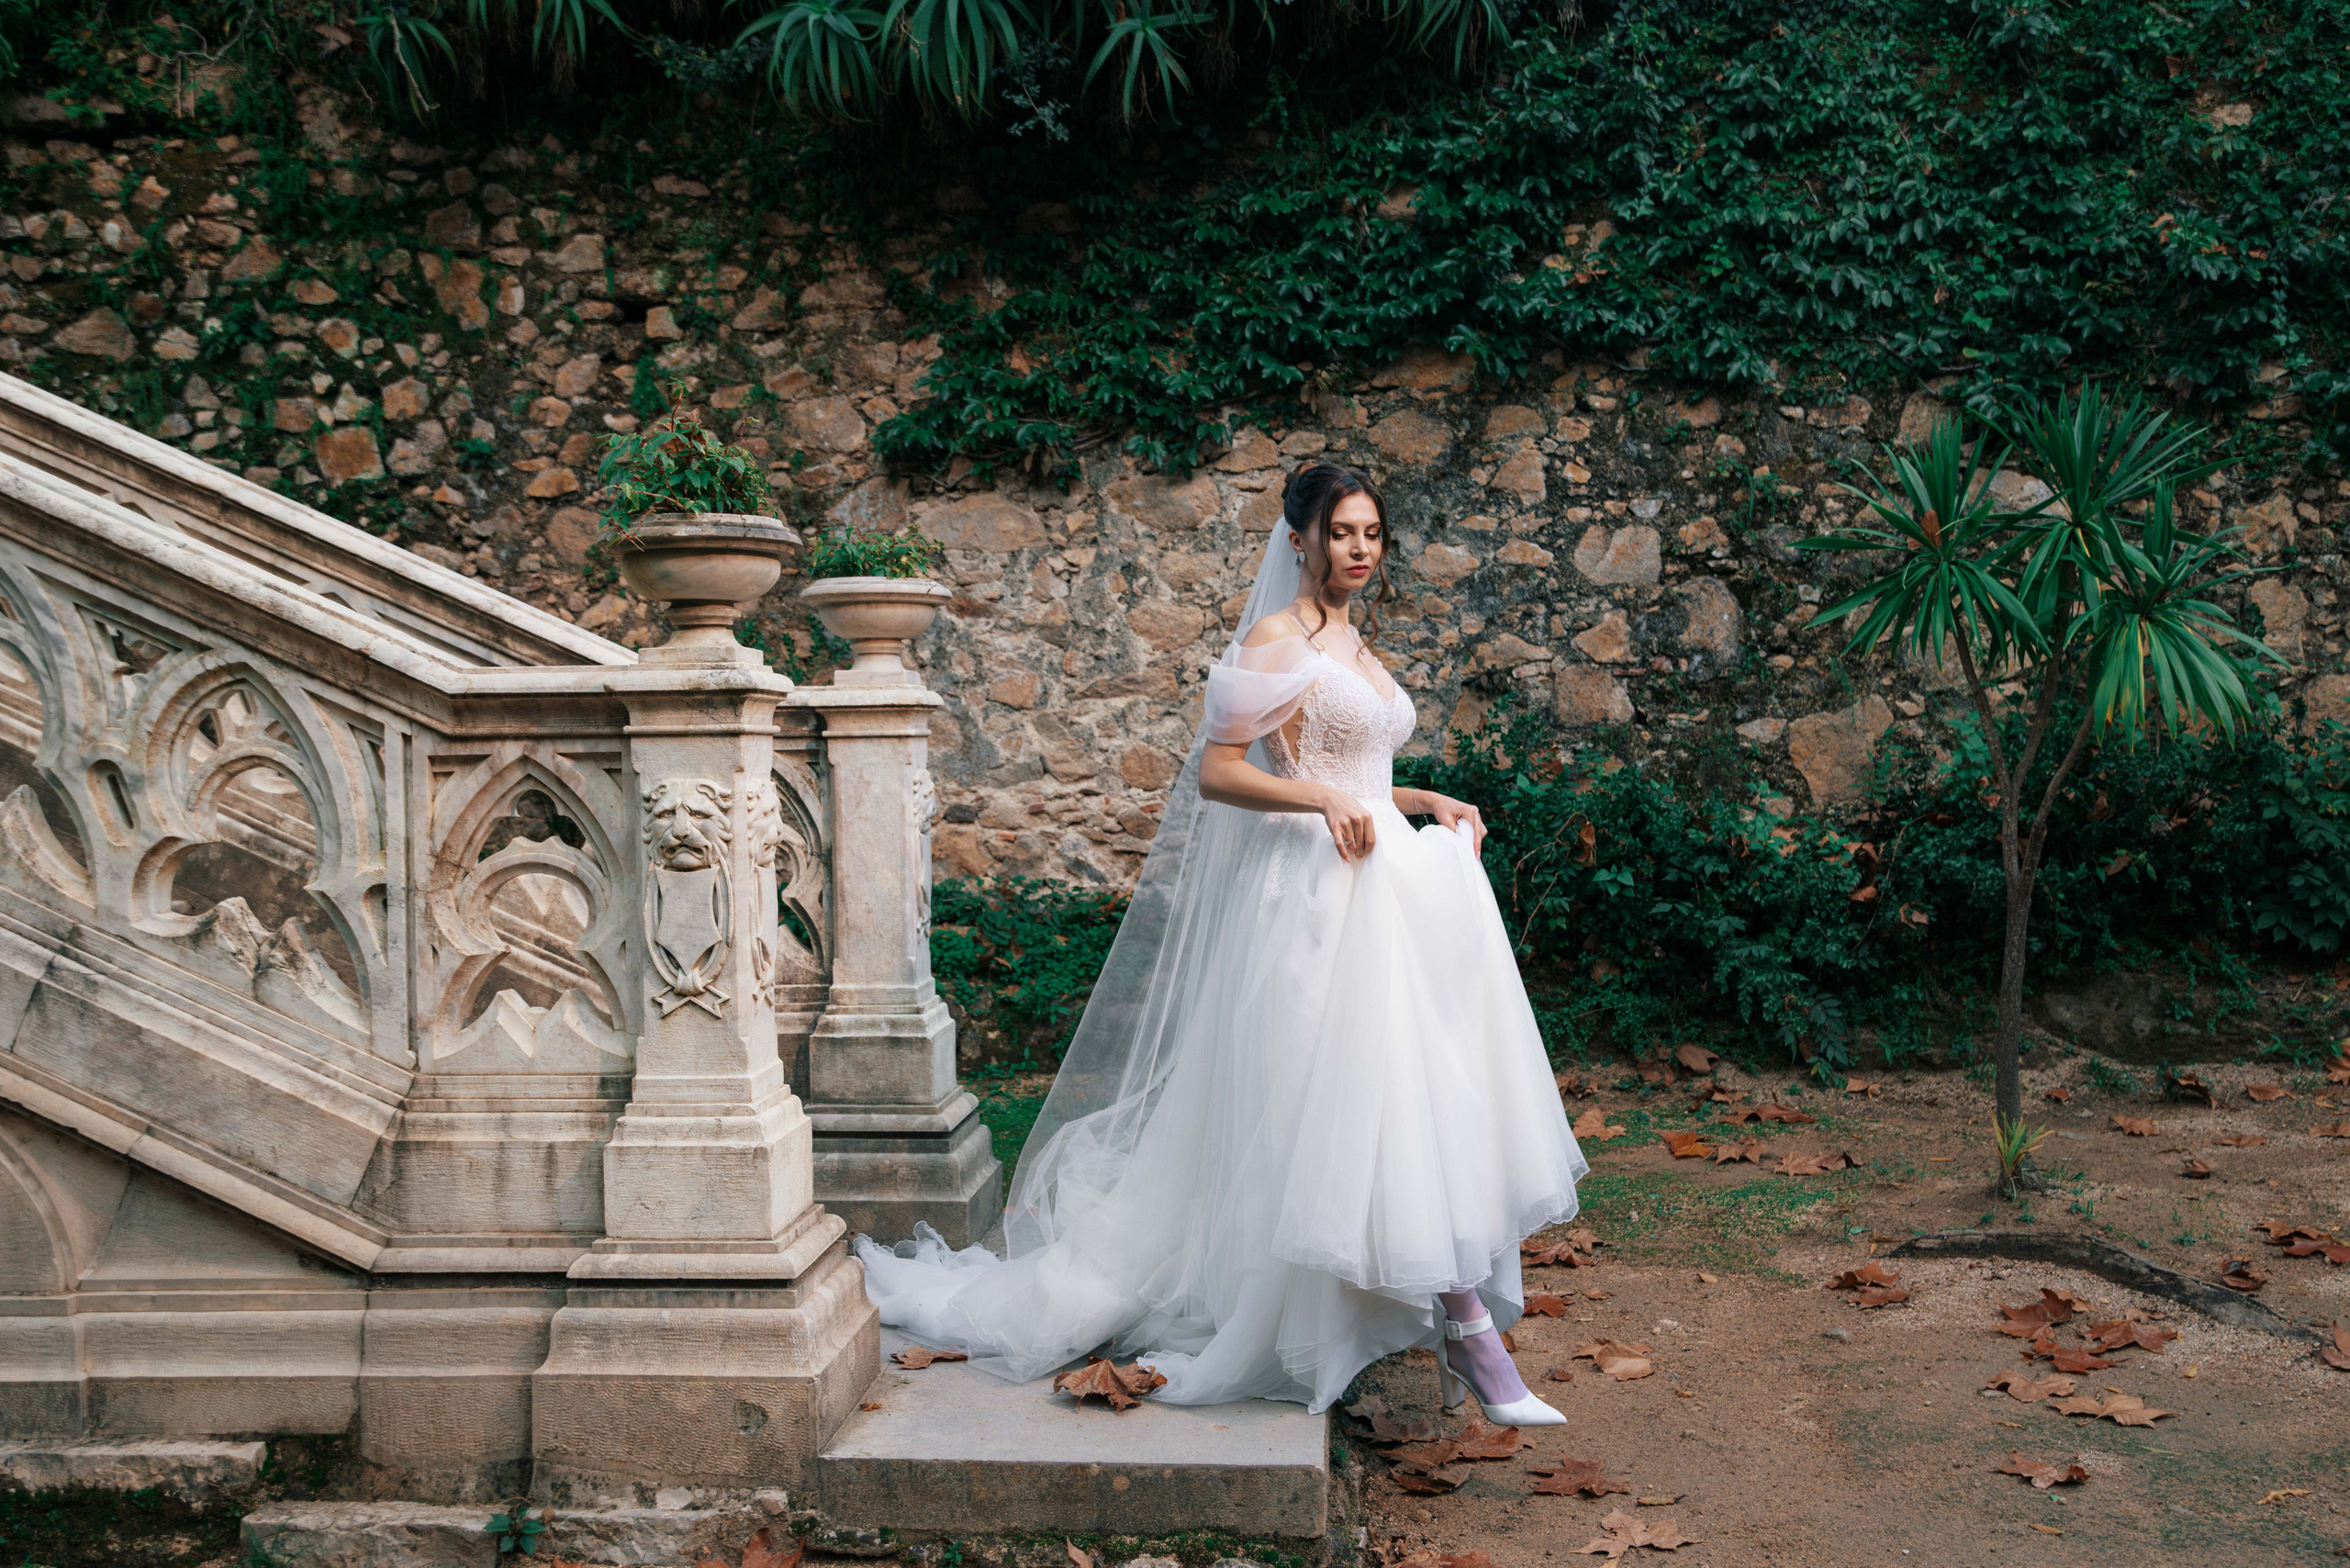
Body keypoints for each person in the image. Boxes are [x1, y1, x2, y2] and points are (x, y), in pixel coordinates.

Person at [857, 462, 1586, 1424]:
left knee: (1410, 1101)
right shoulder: (1277, 639)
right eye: (1342, 532)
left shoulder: (1353, 641)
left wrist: (1425, 797)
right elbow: (1222, 772)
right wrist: (1321, 797)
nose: (1360, 549)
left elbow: (1360, 773)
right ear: (1300, 538)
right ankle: (1470, 1335)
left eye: (1372, 533)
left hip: (1385, 889)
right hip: (1315, 897)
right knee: (1354, 1101)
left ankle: (1445, 1319)